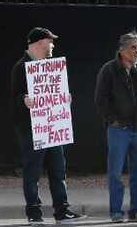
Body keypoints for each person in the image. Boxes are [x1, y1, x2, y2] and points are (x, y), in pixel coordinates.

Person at [11, 27, 84, 224]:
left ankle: (62, 211)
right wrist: (23, 100)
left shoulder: (51, 66)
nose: (52, 45)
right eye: (50, 41)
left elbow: (55, 93)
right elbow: (14, 99)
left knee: (58, 171)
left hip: (53, 128)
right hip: (31, 131)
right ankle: (34, 214)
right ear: (39, 43)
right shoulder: (21, 66)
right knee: (32, 173)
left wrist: (64, 99)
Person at [95, 31, 137, 223]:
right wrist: (111, 119)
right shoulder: (109, 69)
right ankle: (116, 211)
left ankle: (136, 209)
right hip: (118, 130)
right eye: (133, 47)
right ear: (122, 50)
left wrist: (135, 68)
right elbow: (100, 99)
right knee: (115, 172)